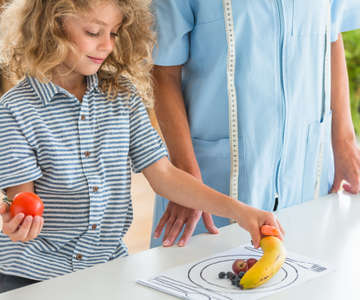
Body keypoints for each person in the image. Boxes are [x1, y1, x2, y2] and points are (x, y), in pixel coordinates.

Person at [0, 0, 283, 293]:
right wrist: (18, 223)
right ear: (52, 26)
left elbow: (165, 175)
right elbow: (22, 199)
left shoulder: (122, 96)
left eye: (114, 33)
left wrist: (240, 212)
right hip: (31, 276)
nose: (107, 46)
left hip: (107, 268)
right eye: (94, 32)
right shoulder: (14, 111)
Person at [150, 0, 360, 248]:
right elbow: (163, 69)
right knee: (200, 276)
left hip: (306, 172)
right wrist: (186, 176)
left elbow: (331, 35)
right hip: (212, 180)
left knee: (309, 272)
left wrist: (344, 141)